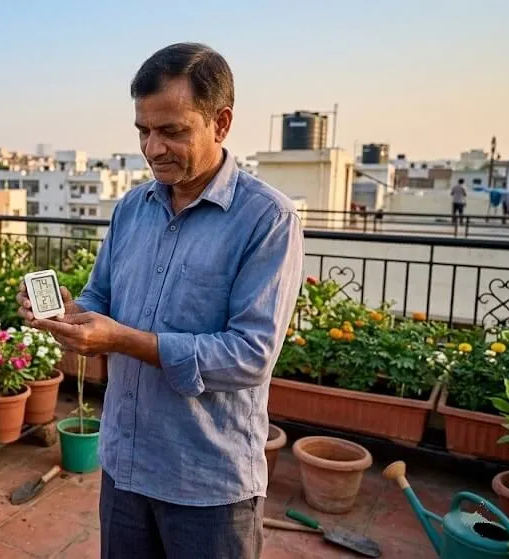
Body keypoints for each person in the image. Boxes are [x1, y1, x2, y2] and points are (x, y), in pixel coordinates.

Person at [17, 43, 303, 558]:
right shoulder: (131, 208)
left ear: (221, 123)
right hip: (125, 467)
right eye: (143, 131)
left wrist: (124, 340)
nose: (153, 149)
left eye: (172, 131)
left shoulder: (267, 220)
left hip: (207, 483)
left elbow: (250, 354)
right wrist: (69, 312)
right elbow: (100, 295)